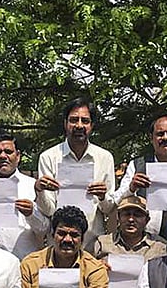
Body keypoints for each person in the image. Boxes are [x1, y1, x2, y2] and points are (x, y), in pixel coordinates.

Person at [36, 97, 116, 249]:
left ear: (91, 126)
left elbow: (108, 209)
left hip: (92, 244)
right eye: (74, 120)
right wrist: (39, 191)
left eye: (85, 121)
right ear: (65, 124)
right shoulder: (49, 157)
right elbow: (49, 210)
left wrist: (102, 196)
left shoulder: (105, 157)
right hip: (60, 246)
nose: (79, 125)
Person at [113, 114, 167, 237]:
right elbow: (116, 200)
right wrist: (131, 188)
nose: (165, 138)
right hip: (142, 241)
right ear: (151, 138)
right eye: (160, 134)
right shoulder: (137, 165)